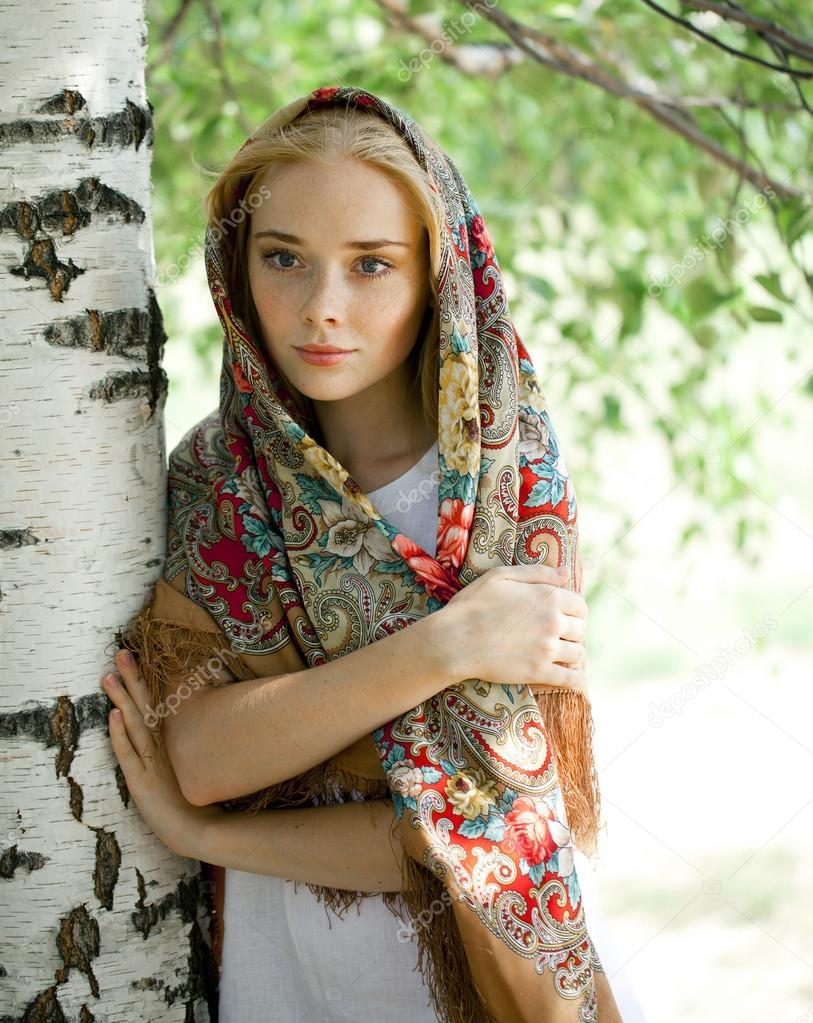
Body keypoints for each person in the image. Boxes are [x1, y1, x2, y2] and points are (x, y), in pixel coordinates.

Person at [102, 85, 648, 1022]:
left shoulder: (495, 474)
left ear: (437, 273)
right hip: (287, 974)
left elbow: (473, 823)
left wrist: (205, 833)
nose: (322, 308)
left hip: (477, 972)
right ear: (236, 265)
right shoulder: (218, 476)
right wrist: (445, 646)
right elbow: (199, 751)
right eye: (284, 259)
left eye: (371, 265)